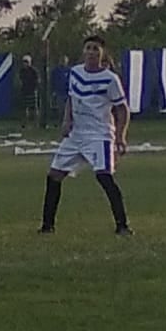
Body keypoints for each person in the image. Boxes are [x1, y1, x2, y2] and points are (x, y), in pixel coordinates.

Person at [39, 36, 132, 236]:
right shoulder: (76, 72)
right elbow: (72, 98)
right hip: (76, 134)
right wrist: (67, 120)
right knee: (54, 175)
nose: (91, 52)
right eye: (88, 48)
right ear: (83, 52)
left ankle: (122, 225)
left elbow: (122, 109)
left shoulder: (110, 79)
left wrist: (121, 136)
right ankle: (47, 226)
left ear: (102, 53)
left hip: (100, 134)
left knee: (104, 176)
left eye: (95, 49)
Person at [19, 55, 39, 129]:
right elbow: (20, 80)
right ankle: (24, 124)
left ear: (30, 62)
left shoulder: (34, 71)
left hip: (32, 91)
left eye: (26, 62)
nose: (25, 64)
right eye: (24, 62)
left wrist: (35, 88)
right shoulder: (22, 71)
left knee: (34, 109)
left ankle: (35, 124)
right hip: (24, 91)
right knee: (24, 109)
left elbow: (37, 80)